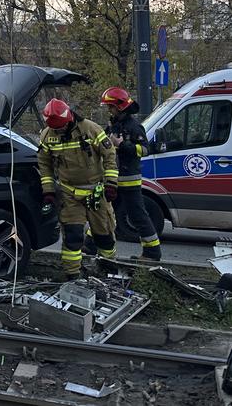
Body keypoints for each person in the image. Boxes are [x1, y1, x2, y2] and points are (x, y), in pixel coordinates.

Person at [38, 98, 119, 278]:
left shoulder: (90, 129)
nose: (58, 131)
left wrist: (111, 183)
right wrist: (49, 191)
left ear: (68, 120)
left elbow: (109, 155)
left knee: (103, 235)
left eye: (60, 128)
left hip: (96, 192)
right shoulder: (47, 135)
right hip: (69, 194)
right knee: (72, 237)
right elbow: (44, 164)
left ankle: (108, 271)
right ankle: (73, 276)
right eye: (54, 129)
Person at [101, 86, 162, 261]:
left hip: (129, 180)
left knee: (138, 216)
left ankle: (152, 253)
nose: (109, 110)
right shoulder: (113, 125)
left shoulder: (134, 126)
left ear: (119, 107)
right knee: (103, 212)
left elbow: (145, 150)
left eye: (110, 107)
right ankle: (91, 246)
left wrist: (122, 145)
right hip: (112, 178)